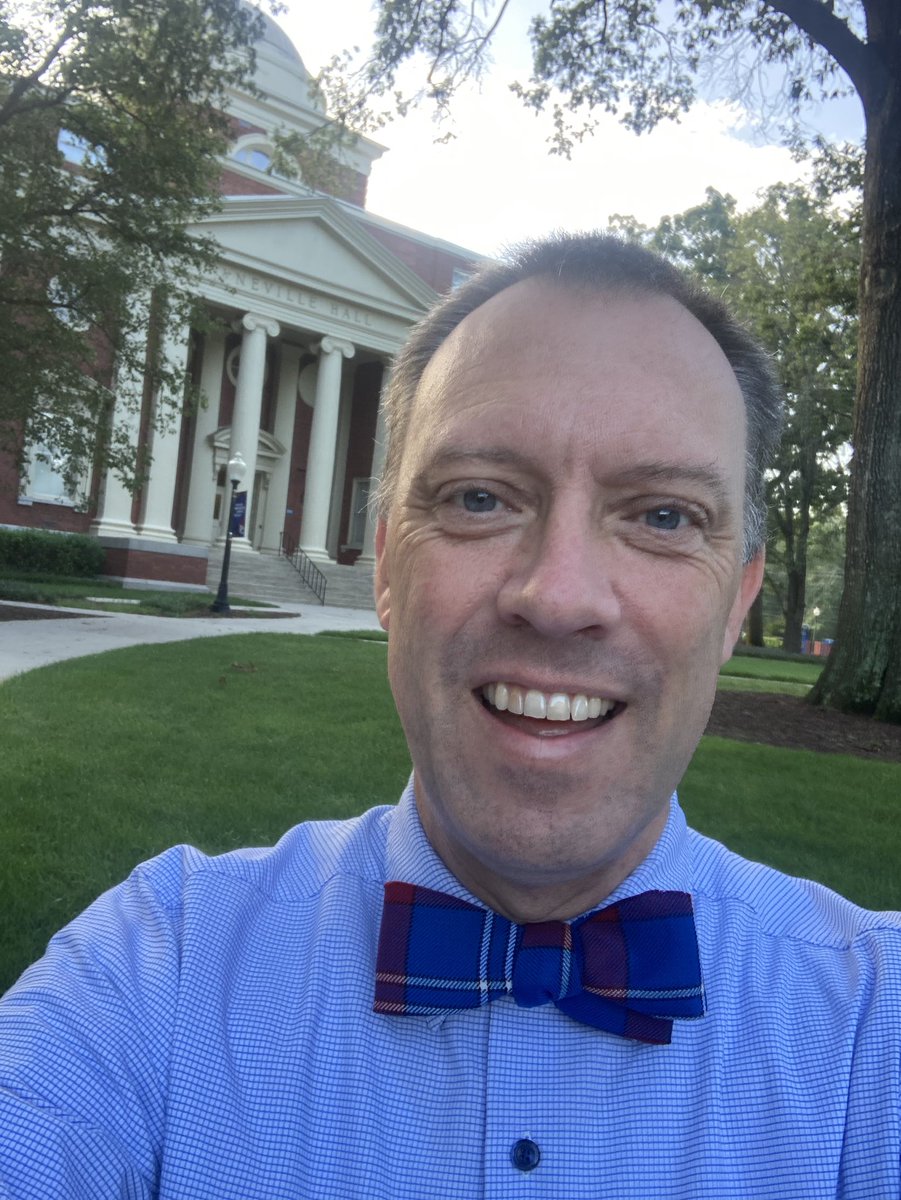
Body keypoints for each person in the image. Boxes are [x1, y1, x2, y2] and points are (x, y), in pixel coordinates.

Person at [1, 233, 899, 1200]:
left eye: (664, 516)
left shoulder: (870, 1027)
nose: (557, 596)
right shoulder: (153, 972)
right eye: (479, 498)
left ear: (734, 602)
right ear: (386, 567)